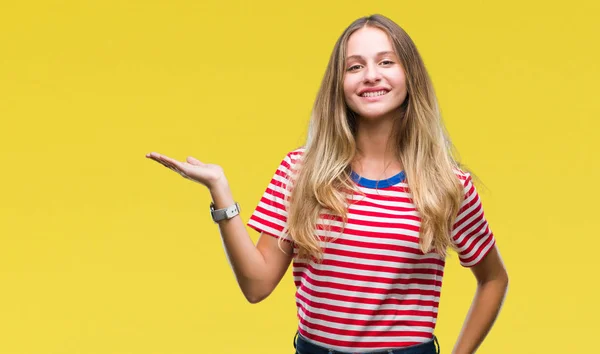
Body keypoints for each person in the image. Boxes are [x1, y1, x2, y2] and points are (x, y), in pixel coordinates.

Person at [146, 14, 508, 354]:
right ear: (340, 84)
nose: (370, 75)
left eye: (386, 62)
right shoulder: (300, 172)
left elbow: (493, 279)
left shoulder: (446, 184)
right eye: (355, 66)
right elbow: (256, 286)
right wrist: (219, 189)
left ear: (410, 75)